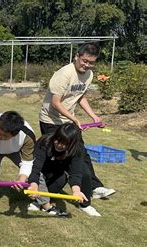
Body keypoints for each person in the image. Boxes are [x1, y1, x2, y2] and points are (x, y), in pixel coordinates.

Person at [38, 43, 115, 199]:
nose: (87, 65)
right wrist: (74, 118)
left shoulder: (89, 75)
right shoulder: (64, 74)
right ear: (77, 57)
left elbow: (80, 96)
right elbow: (56, 102)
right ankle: (42, 186)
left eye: (91, 62)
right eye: (84, 61)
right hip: (50, 120)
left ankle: (94, 187)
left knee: (81, 152)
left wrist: (93, 116)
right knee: (59, 156)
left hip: (68, 121)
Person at [0, 111, 65, 225]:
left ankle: (45, 204)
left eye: (4, 135)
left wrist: (22, 178)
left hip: (16, 150)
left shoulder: (27, 136)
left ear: (15, 134)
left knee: (34, 173)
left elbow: (28, 162)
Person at [27, 123, 102, 216]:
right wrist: (34, 184)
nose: (58, 144)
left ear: (71, 144)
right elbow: (35, 168)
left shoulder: (77, 149)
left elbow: (75, 173)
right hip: (46, 167)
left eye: (64, 143)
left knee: (85, 173)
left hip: (64, 164)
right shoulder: (45, 142)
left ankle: (85, 205)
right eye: (57, 140)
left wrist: (76, 191)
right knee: (58, 179)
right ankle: (39, 200)